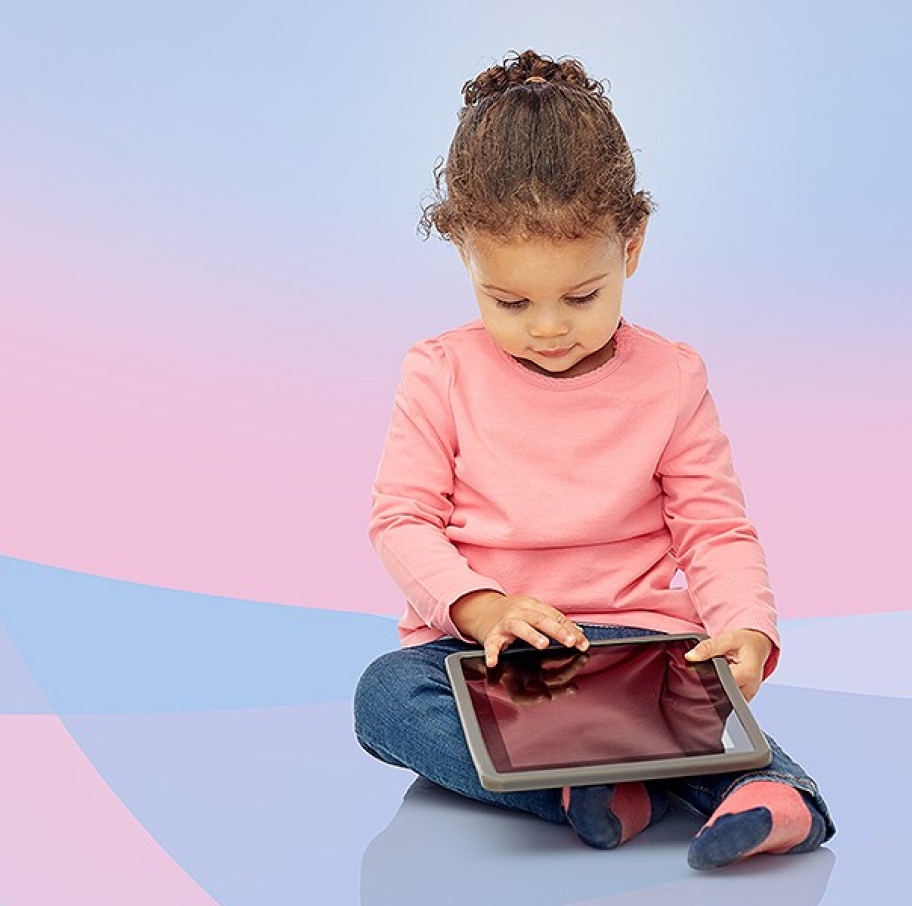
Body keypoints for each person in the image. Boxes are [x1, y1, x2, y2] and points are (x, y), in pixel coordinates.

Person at [354, 49, 835, 870]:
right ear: (466, 256)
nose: (548, 328)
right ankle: (586, 787)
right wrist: (480, 607)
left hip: (637, 645)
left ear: (633, 247)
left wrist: (745, 627)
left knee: (696, 700)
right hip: (488, 655)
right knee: (385, 698)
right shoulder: (438, 370)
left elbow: (714, 528)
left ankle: (775, 797)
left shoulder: (673, 377)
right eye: (509, 302)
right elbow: (403, 520)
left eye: (582, 296)